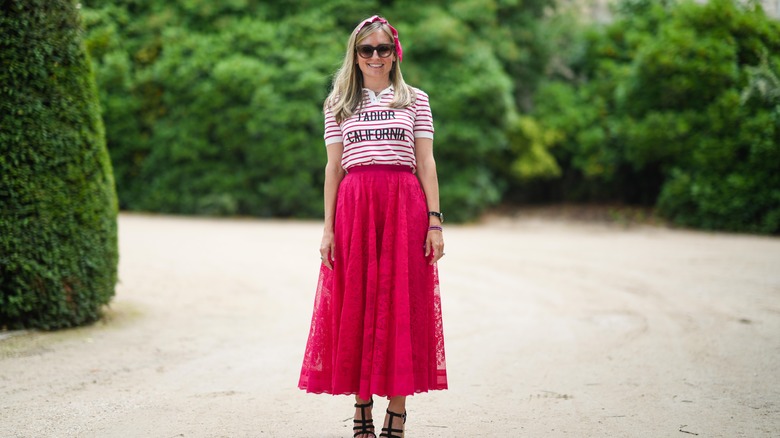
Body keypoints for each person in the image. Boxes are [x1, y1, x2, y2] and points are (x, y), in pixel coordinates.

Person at [298, 15, 448, 438]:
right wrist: (327, 229)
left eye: (383, 48)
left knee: (401, 302)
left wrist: (434, 222)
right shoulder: (338, 104)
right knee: (356, 302)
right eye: (367, 50)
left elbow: (426, 162)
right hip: (355, 207)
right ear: (356, 55)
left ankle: (396, 416)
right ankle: (361, 406)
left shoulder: (415, 99)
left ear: (394, 52)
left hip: (404, 207)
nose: (376, 57)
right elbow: (332, 168)